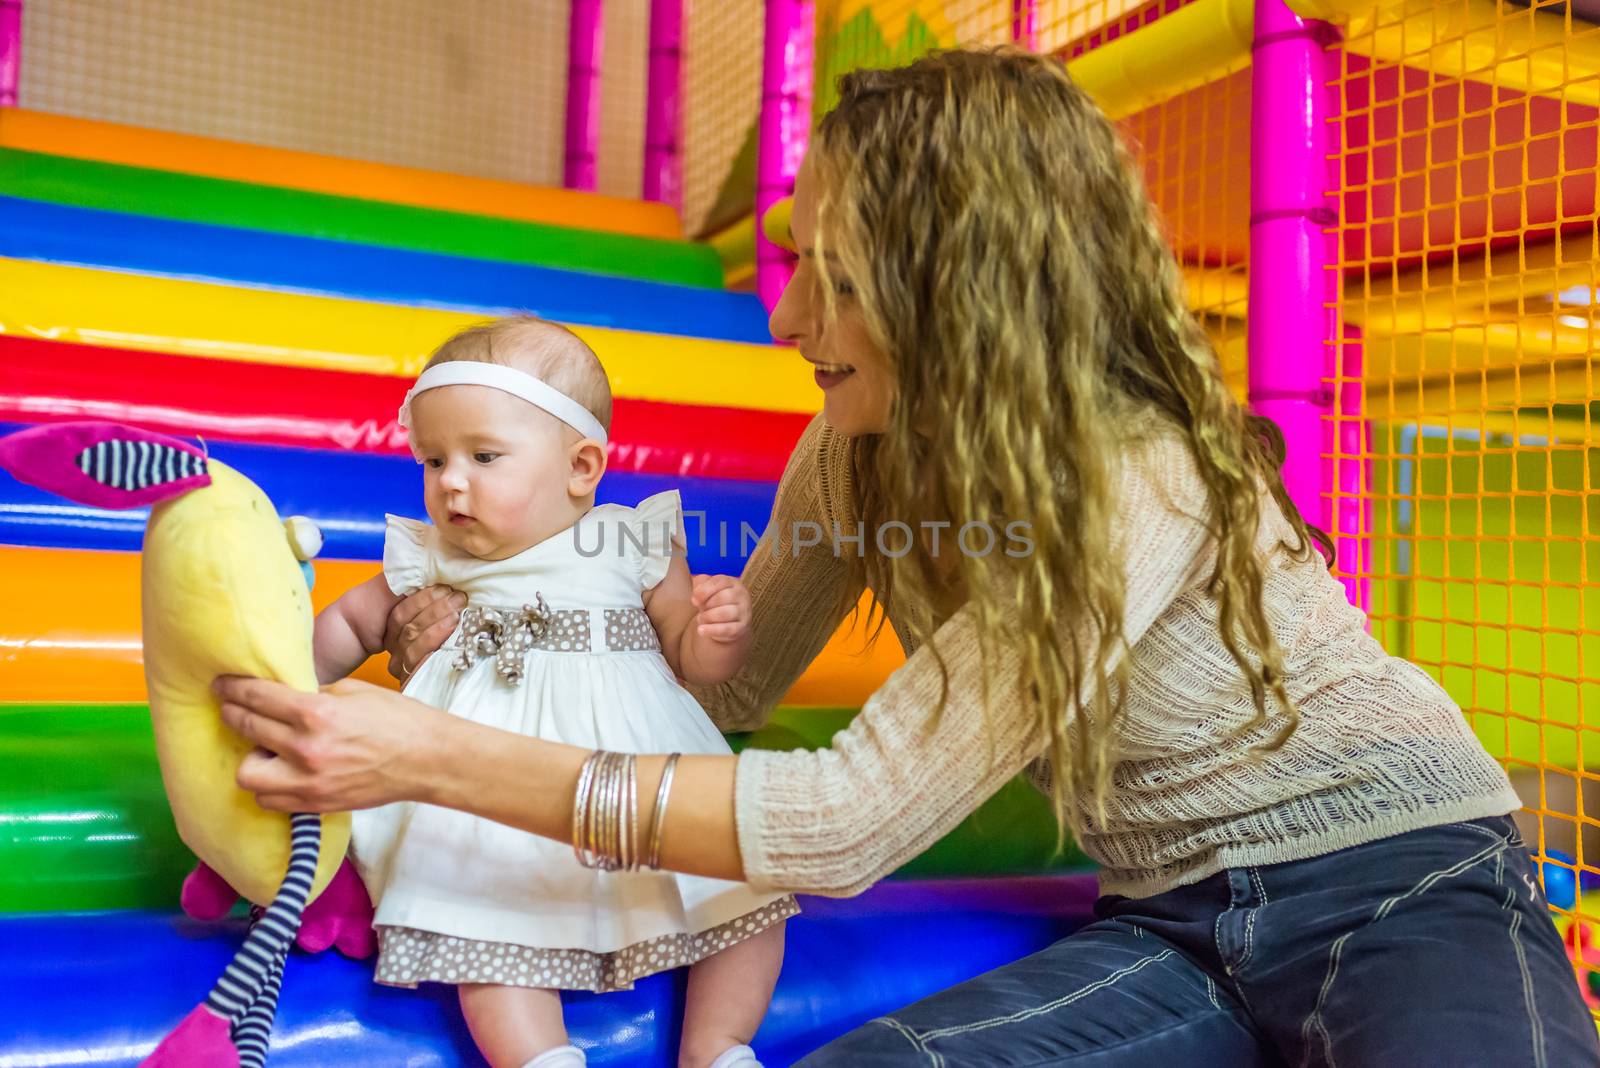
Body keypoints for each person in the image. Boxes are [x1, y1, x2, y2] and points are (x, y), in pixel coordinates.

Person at [215, 49, 1599, 1065]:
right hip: (1170, 922)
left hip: (1401, 875)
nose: (791, 316)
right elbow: (720, 691)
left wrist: (429, 757)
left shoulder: (1136, 472)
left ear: (965, 303)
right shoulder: (855, 449)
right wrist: (506, 614)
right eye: (797, 260)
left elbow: (844, 827)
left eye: (842, 280)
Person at [310, 317, 794, 1068]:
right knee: (482, 918)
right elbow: (348, 623)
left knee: (748, 894)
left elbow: (690, 656)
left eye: (483, 455)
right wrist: (291, 674)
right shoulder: (434, 559)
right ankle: (539, 1055)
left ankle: (719, 1045)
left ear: (582, 466)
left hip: (641, 773)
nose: (451, 482)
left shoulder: (630, 541)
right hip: (486, 787)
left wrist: (718, 633)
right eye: (433, 460)